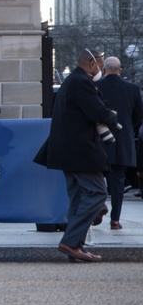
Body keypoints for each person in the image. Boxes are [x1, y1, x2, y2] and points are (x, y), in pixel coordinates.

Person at [34, 49, 118, 262]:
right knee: (97, 193)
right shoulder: (82, 82)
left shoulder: (72, 81)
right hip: (80, 150)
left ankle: (75, 245)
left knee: (79, 197)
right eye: (98, 63)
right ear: (91, 63)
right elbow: (97, 111)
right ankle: (71, 242)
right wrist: (113, 118)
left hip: (68, 151)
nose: (100, 68)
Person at [95, 56, 143, 230]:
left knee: (96, 178)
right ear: (120, 70)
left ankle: (99, 206)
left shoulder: (96, 87)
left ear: (105, 70)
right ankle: (115, 219)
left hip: (99, 139)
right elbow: (139, 115)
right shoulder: (132, 89)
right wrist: (128, 127)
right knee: (118, 181)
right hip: (123, 139)